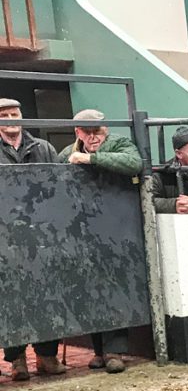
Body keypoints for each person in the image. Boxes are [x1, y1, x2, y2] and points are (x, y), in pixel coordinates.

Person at [59, 109, 143, 374]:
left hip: (117, 226)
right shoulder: (65, 154)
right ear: (78, 132)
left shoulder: (119, 144)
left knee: (116, 286)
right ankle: (98, 350)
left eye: (99, 131)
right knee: (89, 288)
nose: (94, 137)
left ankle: (115, 350)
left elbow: (133, 163)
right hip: (81, 229)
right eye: (88, 132)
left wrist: (90, 158)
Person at [0, 98, 67, 380]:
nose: (10, 119)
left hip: (42, 232)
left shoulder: (43, 147)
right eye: (4, 115)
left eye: (14, 113)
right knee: (10, 297)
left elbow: (58, 184)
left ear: (22, 116)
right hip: (5, 234)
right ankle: (17, 361)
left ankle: (46, 356)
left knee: (47, 293)